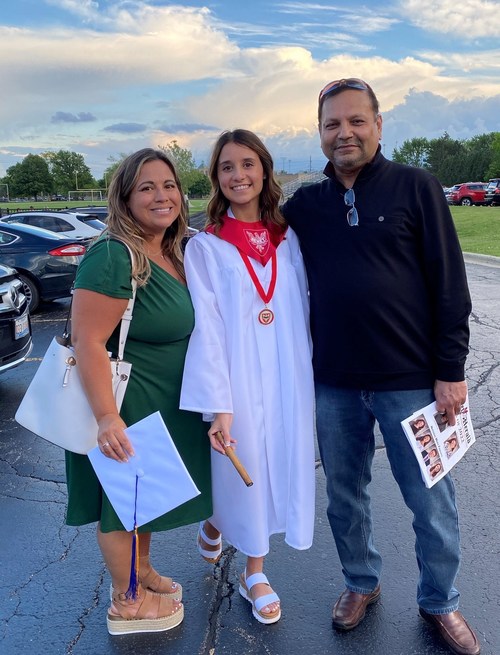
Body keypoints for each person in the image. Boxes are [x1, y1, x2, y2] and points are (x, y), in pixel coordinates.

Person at [281, 79, 479, 655]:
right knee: (345, 495)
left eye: (355, 121)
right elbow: (242, 239)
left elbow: (450, 284)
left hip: (412, 381)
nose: (344, 133)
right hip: (335, 384)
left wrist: (451, 368)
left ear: (378, 125)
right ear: (319, 134)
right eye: (331, 124)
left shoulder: (416, 187)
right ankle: (359, 583)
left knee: (431, 500)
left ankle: (441, 601)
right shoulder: (306, 206)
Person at [65, 148, 212, 635]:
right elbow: (86, 340)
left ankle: (141, 570)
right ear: (125, 197)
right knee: (121, 503)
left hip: (164, 402)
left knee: (141, 498)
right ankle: (127, 603)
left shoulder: (171, 249)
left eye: (168, 185)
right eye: (146, 187)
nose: (162, 195)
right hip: (127, 402)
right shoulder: (113, 254)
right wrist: (107, 416)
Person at [180, 129, 315, 625]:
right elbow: (208, 328)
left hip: (287, 376)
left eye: (247, 164)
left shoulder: (289, 238)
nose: (238, 175)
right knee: (248, 466)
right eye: (227, 167)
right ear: (216, 178)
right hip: (237, 376)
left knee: (278, 462)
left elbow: (303, 308)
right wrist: (220, 403)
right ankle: (253, 572)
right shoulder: (207, 247)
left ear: (264, 170)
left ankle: (221, 530)